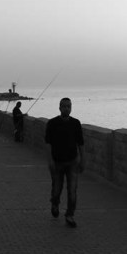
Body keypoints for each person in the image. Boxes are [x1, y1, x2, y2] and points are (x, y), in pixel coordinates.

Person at [45, 97, 85, 228]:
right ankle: (55, 204)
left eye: (69, 106)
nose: (66, 108)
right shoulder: (52, 123)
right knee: (57, 189)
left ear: (71, 107)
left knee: (72, 190)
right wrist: (50, 160)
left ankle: (70, 215)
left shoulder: (76, 123)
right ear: (59, 108)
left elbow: (80, 144)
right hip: (57, 162)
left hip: (72, 162)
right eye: (64, 106)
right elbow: (48, 143)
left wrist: (83, 160)